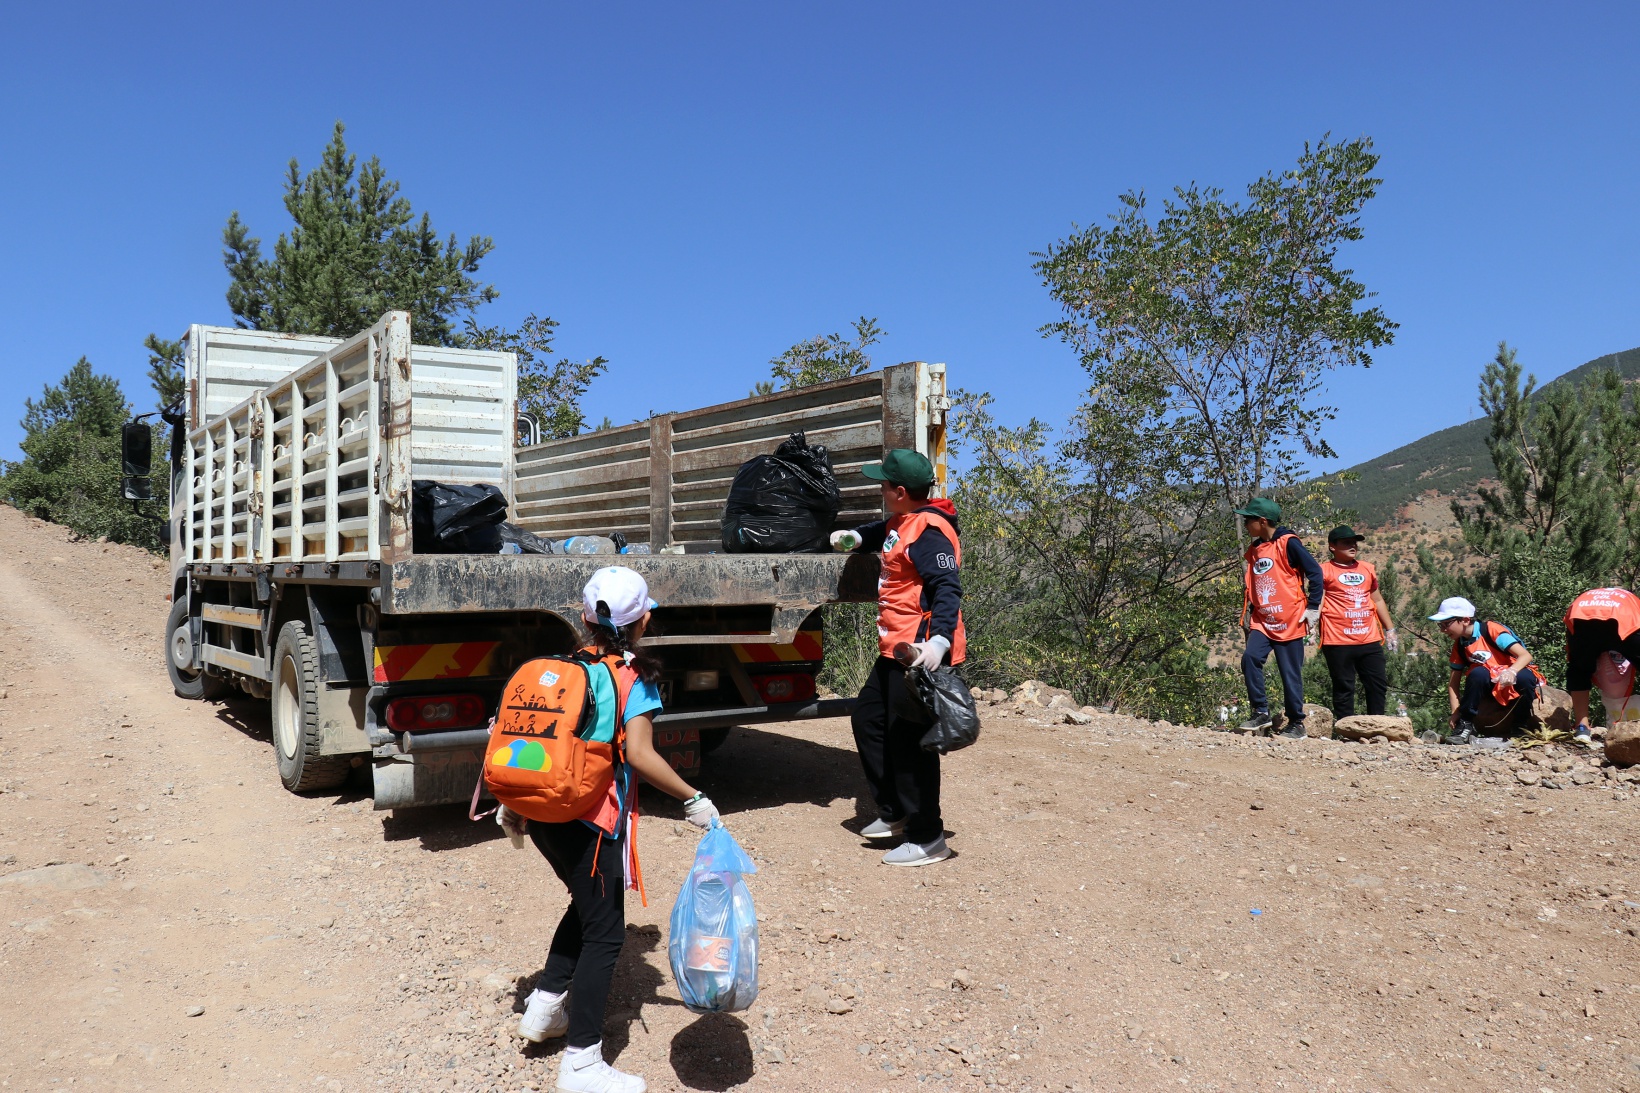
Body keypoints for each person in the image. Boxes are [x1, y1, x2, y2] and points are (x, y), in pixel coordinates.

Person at [500, 566, 719, 1093]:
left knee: (586, 904)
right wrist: (694, 798)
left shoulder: (560, 666)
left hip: (543, 815)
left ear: (582, 616)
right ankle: (581, 1062)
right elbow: (640, 755)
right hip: (591, 820)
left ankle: (545, 1007)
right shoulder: (633, 679)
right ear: (644, 622)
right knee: (605, 933)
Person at [830, 448, 963, 867]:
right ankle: (898, 813)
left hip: (920, 653)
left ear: (900, 491)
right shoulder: (902, 521)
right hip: (895, 649)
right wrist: (856, 538)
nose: (880, 489)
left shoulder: (930, 531)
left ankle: (929, 837)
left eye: (883, 484)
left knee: (910, 744)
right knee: (869, 718)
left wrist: (939, 643)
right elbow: (883, 533)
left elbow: (947, 588)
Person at [1234, 497, 1323, 738]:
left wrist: (1313, 607)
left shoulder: (1288, 543)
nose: (1245, 523)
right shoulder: (1255, 549)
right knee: (1250, 658)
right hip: (1263, 620)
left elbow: (1315, 572)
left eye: (1248, 519)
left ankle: (1296, 723)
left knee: (1289, 672)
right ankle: (1260, 711)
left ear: (1262, 521)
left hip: (1290, 620)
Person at [1429, 595, 1542, 746]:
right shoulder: (1460, 645)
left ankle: (1520, 726)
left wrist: (1511, 672)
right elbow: (1453, 683)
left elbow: (1525, 656)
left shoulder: (1491, 630)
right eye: (1440, 625)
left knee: (1525, 678)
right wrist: (1456, 712)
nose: (1443, 630)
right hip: (1490, 683)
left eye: (1446, 624)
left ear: (1465, 620)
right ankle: (1466, 725)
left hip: (1511, 678)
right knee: (1478, 673)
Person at [1317, 525, 1398, 718]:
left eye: (1354, 542)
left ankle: (1377, 726)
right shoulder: (1323, 571)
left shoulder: (1367, 569)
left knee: (1377, 684)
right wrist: (1311, 627)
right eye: (1346, 542)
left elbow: (1377, 599)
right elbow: (1317, 600)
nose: (1353, 545)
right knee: (1344, 687)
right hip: (1337, 640)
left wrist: (1390, 629)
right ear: (1332, 546)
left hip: (1369, 639)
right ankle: (1346, 730)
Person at [1563, 586, 1640, 746]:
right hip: (1623, 617)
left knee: (1579, 670)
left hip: (1581, 616)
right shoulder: (1633, 600)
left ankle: (1582, 728)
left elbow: (1568, 623)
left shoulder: (1588, 595)